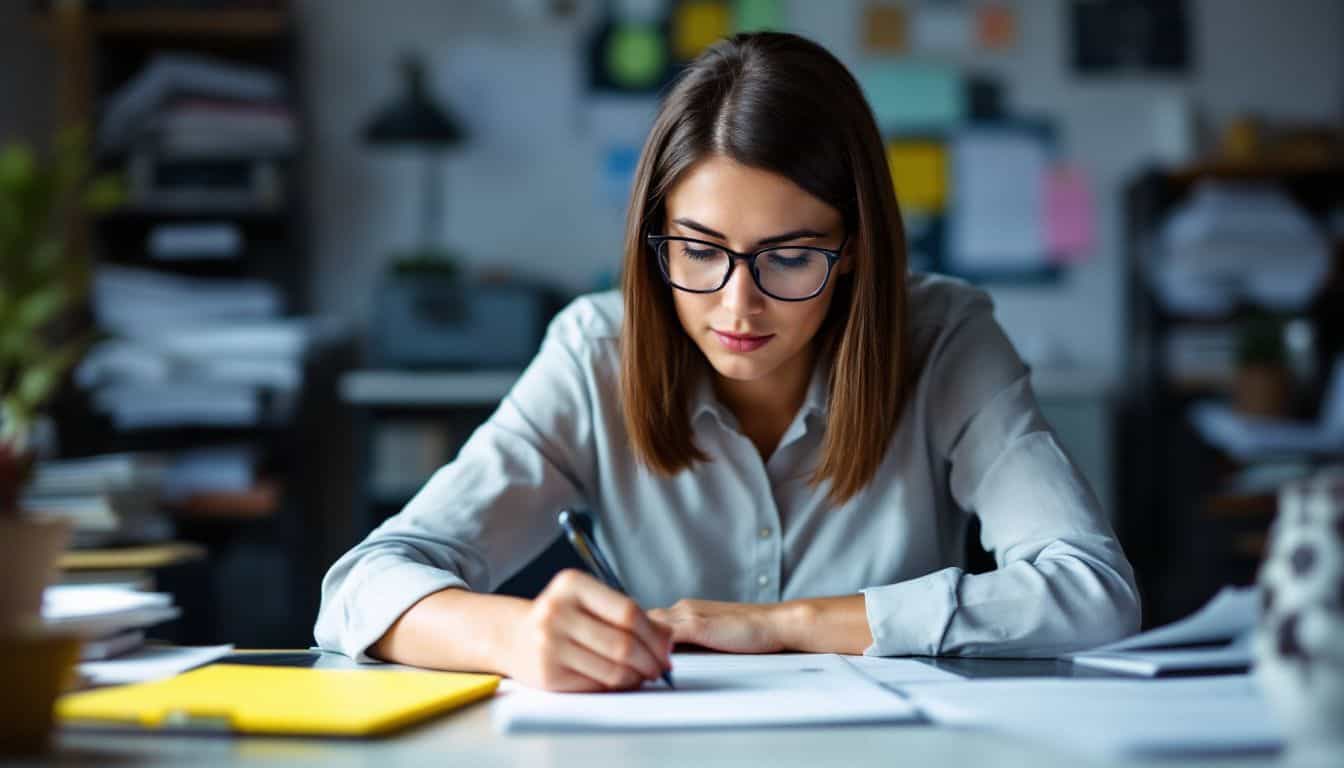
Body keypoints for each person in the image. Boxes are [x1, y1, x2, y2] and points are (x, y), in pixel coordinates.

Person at [316, 31, 1140, 692]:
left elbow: (1092, 592)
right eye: (700, 251)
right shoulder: (594, 352)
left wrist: (786, 625)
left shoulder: (946, 339)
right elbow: (360, 587)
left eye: (788, 256)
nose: (737, 306)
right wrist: (518, 634)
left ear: (852, 248)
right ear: (655, 239)